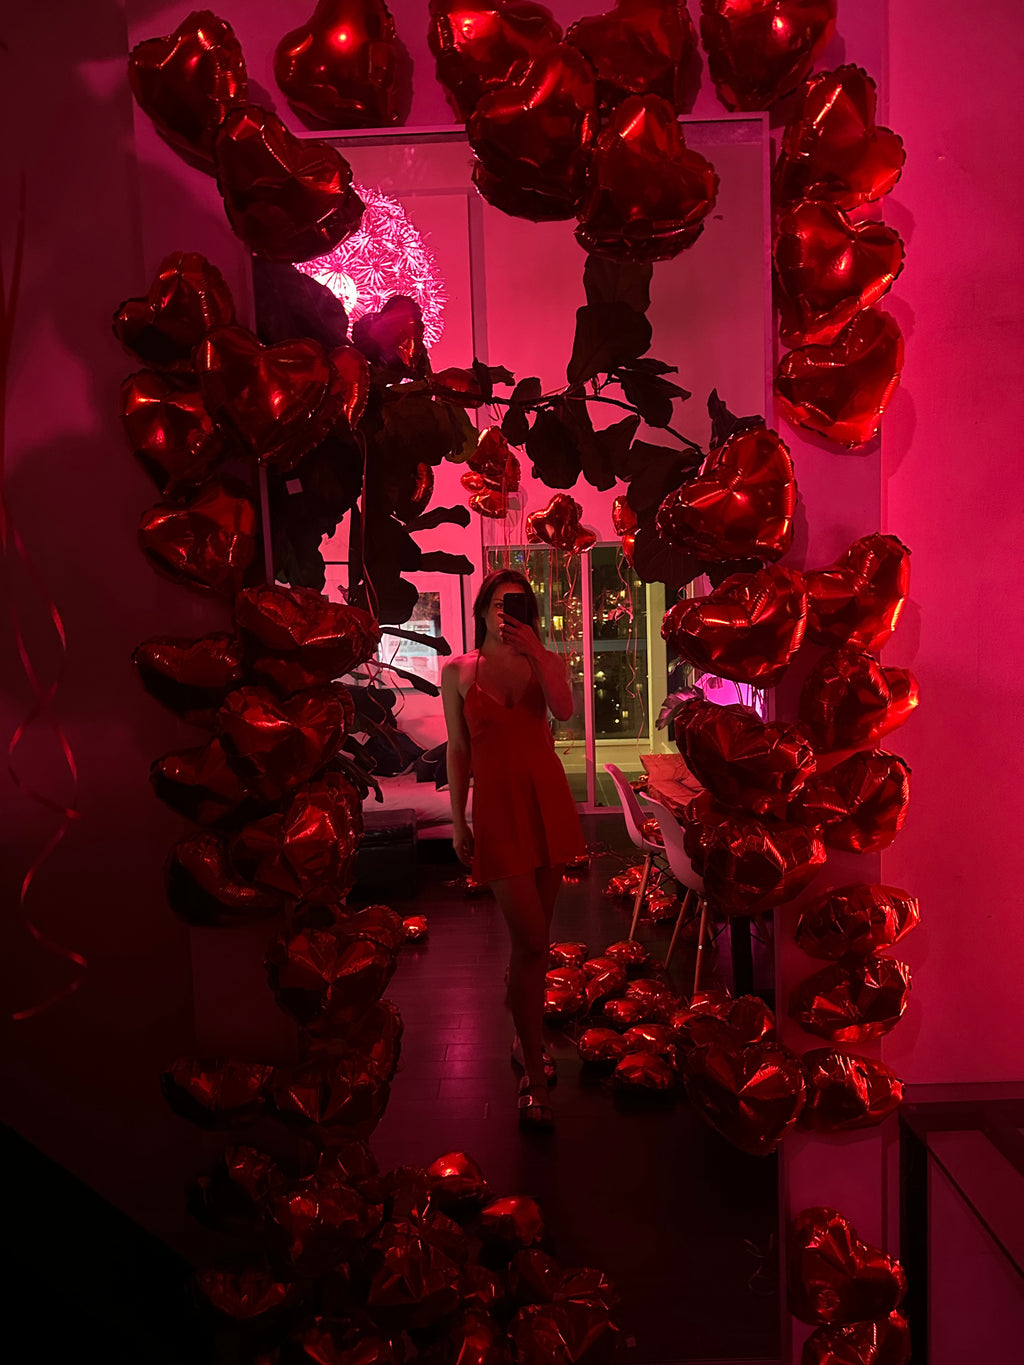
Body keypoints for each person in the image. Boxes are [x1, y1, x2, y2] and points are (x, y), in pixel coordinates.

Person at [441, 568, 585, 1129]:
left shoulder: (539, 663)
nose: (507, 615)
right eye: (499, 605)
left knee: (534, 945)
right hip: (498, 813)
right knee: (531, 940)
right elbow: (457, 751)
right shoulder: (457, 671)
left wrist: (540, 651)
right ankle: (532, 1066)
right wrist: (458, 821)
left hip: (547, 804)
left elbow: (566, 710)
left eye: (518, 606)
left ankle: (522, 1029)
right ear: (480, 610)